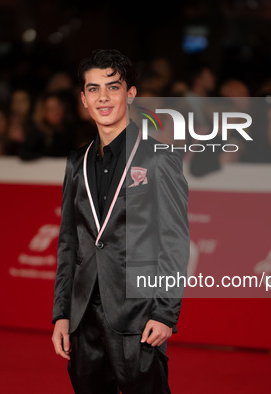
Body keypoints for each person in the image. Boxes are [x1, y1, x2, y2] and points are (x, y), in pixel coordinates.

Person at [51, 49, 189, 393]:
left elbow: (173, 241)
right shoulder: (76, 162)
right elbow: (70, 242)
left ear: (130, 93)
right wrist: (62, 314)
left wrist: (165, 313)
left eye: (113, 87)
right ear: (83, 99)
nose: (103, 97)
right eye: (94, 89)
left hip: (138, 315)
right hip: (83, 317)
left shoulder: (159, 158)